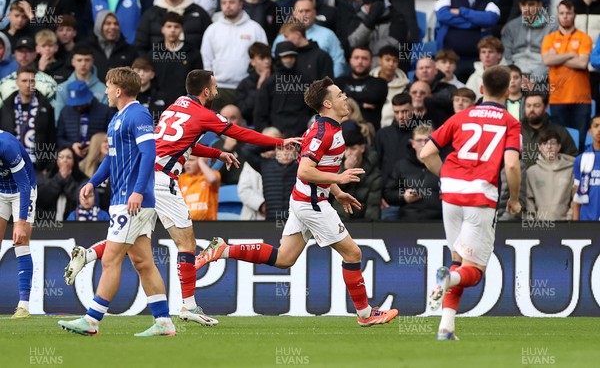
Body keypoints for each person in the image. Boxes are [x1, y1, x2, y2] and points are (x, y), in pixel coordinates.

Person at [63, 69, 302, 326]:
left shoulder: (176, 105)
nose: (218, 91)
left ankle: (90, 257)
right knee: (186, 244)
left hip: (149, 178)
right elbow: (239, 133)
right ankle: (187, 305)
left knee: (137, 245)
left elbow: (179, 143)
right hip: (163, 181)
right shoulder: (203, 114)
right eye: (215, 86)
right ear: (206, 91)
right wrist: (279, 142)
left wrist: (215, 153)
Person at [195, 76, 399, 327]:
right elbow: (304, 170)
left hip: (305, 199)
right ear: (327, 103)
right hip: (312, 204)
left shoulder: (327, 128)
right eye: (339, 95)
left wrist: (336, 191)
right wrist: (340, 178)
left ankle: (222, 250)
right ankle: (366, 314)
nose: (345, 97)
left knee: (284, 258)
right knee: (353, 253)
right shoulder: (323, 132)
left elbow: (317, 168)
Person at [58, 67, 177, 337]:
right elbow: (112, 159)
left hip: (132, 201)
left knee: (111, 259)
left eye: (109, 86)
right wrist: (91, 182)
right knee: (144, 262)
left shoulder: (138, 114)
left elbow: (149, 153)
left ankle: (92, 319)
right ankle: (164, 322)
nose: (106, 91)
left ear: (119, 90)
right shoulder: (116, 119)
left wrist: (137, 191)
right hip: (122, 199)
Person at [420, 65, 522, 340]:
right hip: (480, 195)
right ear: (508, 91)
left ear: (481, 89)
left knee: (457, 260)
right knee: (474, 272)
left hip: (451, 193)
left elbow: (426, 153)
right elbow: (512, 165)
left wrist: (447, 177)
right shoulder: (510, 122)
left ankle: (446, 327)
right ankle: (448, 280)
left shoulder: (461, 116)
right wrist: (514, 199)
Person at [542, 0, 593, 151]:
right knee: (559, 142)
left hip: (581, 99)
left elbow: (582, 63)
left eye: (568, 13)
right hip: (558, 97)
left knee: (581, 142)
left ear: (574, 15)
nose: (565, 16)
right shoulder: (549, 38)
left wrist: (557, 57)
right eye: (562, 13)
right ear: (557, 15)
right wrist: (571, 54)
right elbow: (547, 60)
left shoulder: (584, 37)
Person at [0, 130, 37, 319]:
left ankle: (24, 306)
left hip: (23, 190)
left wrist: (20, 222)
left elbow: (24, 185)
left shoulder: (7, 146)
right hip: (0, 191)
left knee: (20, 243)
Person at [0, 66, 55, 171]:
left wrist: (49, 166)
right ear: (17, 82)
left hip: (37, 166)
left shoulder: (45, 106)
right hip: (11, 165)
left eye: (32, 81)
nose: (28, 85)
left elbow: (52, 136)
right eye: (24, 81)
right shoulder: (6, 107)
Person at [383, 125, 441, 221]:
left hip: (439, 220)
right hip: (409, 221)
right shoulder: (401, 166)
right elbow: (388, 193)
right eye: (419, 140)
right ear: (413, 143)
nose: (423, 144)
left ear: (434, 142)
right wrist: (403, 197)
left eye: (427, 140)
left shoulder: (443, 164)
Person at [526, 129, 575, 220]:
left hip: (565, 226)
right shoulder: (531, 172)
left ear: (559, 147)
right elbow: (529, 200)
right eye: (544, 143)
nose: (549, 147)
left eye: (552, 143)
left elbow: (575, 198)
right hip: (540, 226)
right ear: (540, 147)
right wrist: (532, 220)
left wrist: (569, 218)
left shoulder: (571, 170)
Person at [332, 129, 381, 221]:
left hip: (364, 222)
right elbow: (332, 193)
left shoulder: (373, 172)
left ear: (362, 148)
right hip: (340, 220)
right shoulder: (336, 166)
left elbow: (373, 206)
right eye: (346, 149)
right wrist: (345, 170)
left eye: (353, 149)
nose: (349, 153)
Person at [36, 146, 87, 221]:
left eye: (69, 157)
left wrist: (68, 180)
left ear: (74, 161)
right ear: (56, 160)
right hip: (48, 225)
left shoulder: (82, 179)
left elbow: (80, 200)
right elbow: (41, 199)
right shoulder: (46, 177)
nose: (65, 160)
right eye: (61, 157)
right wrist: (60, 178)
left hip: (74, 225)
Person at [572, 116, 600, 220]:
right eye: (596, 126)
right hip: (586, 220)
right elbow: (576, 194)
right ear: (590, 131)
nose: (599, 129)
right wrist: (575, 225)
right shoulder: (580, 159)